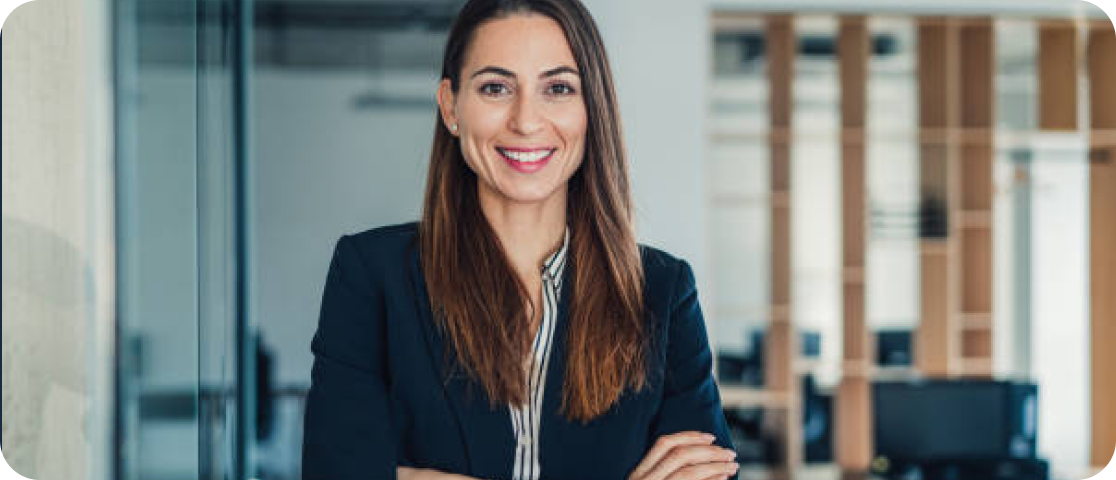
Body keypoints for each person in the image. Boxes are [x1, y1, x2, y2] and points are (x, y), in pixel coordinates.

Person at [301, 0, 739, 479]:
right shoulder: (372, 275)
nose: (526, 121)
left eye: (557, 88)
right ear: (451, 107)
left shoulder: (661, 292)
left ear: (592, 108)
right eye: (495, 87)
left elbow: (712, 473)